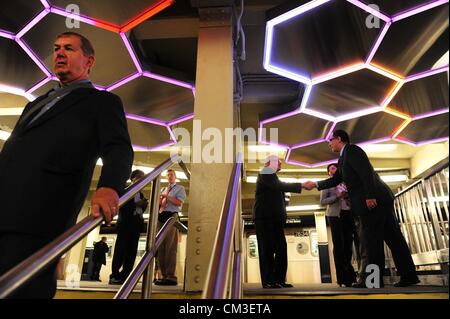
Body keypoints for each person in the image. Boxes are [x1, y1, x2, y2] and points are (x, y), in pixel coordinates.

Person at [0, 32, 133, 298]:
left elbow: (118, 148)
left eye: (69, 49)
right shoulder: (35, 104)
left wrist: (110, 186)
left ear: (89, 61)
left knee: (23, 288)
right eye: (56, 47)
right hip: (4, 205)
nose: (59, 53)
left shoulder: (102, 102)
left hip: (41, 216)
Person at [304, 130, 419, 288]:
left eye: (330, 140)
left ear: (338, 139)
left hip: (372, 201)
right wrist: (316, 185)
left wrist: (370, 196)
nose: (329, 144)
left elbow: (366, 172)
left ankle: (373, 281)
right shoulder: (343, 157)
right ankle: (409, 276)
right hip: (380, 200)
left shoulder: (352, 150)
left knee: (372, 241)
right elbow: (337, 179)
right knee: (394, 238)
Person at [253, 155, 303, 289]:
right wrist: (301, 185)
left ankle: (279, 279)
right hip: (264, 218)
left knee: (281, 249)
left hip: (275, 219)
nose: (280, 165)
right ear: (268, 163)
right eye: (278, 163)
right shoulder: (265, 172)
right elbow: (278, 186)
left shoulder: (272, 177)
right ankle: (269, 281)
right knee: (267, 249)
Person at [320, 163, 357, 287]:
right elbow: (322, 201)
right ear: (329, 173)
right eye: (331, 168)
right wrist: (337, 196)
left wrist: (347, 197)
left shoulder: (346, 182)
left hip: (348, 214)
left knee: (348, 244)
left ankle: (350, 275)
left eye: (335, 167)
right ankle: (342, 278)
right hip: (335, 216)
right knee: (339, 245)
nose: (334, 169)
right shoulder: (328, 184)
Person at [109, 170, 148, 284]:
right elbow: (121, 205)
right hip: (125, 224)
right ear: (133, 178)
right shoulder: (125, 190)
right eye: (139, 177)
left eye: (143, 177)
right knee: (120, 250)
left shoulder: (141, 195)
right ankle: (114, 275)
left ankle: (125, 275)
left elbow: (140, 211)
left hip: (136, 225)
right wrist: (137, 204)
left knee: (132, 251)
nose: (141, 179)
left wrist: (143, 205)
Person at [154, 169, 186, 286]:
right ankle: (163, 275)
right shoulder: (163, 189)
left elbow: (178, 202)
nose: (169, 177)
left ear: (175, 177)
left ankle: (171, 276)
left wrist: (167, 197)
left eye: (171, 175)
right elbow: (159, 204)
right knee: (160, 248)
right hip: (161, 217)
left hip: (171, 217)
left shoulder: (180, 188)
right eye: (167, 175)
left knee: (170, 248)